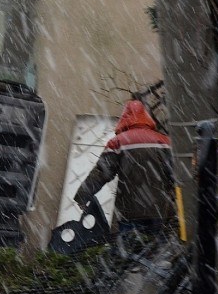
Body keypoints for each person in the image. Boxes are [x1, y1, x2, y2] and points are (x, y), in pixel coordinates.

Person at [74, 100, 175, 235]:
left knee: (128, 251)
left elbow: (102, 173)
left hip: (129, 213)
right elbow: (175, 175)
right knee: (157, 252)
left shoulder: (118, 142)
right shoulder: (165, 142)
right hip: (158, 212)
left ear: (125, 118)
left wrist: (82, 195)